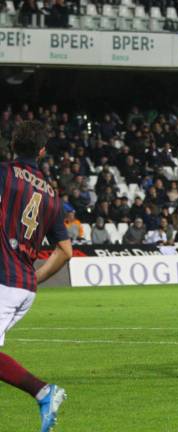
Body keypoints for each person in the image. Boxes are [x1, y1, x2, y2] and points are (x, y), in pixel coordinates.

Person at [0, 121, 72, 432]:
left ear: (12, 143)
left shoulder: (4, 174)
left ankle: (43, 391)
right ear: (42, 151)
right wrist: (34, 277)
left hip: (3, 280)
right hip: (25, 287)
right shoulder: (52, 194)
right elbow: (66, 251)